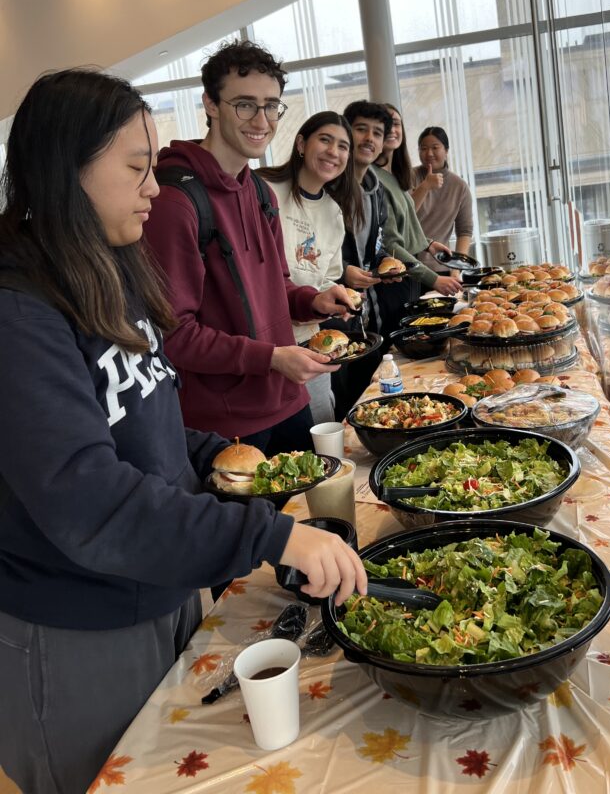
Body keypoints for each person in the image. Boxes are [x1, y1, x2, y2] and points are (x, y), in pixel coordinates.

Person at [0, 69, 366, 794]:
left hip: (158, 589)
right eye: (136, 168)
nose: (153, 188)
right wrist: (270, 537)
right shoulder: (19, 312)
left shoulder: (111, 270)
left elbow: (157, 423)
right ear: (63, 172)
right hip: (75, 620)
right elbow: (89, 499)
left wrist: (256, 477)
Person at [143, 40, 355, 454]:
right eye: (245, 105)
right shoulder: (174, 203)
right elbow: (174, 335)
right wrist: (271, 358)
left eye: (271, 105)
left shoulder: (260, 192)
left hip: (288, 401)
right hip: (226, 425)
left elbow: (277, 288)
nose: (262, 120)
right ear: (210, 103)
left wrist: (314, 302)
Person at [258, 111, 362, 423]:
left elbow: (326, 282)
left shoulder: (333, 212)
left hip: (313, 342)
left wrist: (338, 301)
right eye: (325, 140)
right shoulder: (264, 189)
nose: (334, 152)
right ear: (302, 144)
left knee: (319, 433)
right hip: (265, 346)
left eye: (343, 146)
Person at [373, 103, 462, 336]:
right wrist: (433, 279)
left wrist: (427, 243)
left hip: (408, 275)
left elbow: (405, 223)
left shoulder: (395, 175)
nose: (392, 129)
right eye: (385, 124)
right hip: (394, 280)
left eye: (397, 123)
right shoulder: (374, 178)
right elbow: (390, 243)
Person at [332, 100, 392, 419]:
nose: (369, 138)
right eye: (361, 129)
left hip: (366, 311)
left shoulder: (375, 190)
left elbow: (374, 245)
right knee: (342, 404)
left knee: (367, 399)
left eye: (377, 133)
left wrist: (385, 265)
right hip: (331, 315)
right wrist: (343, 273)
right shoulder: (328, 188)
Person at [411, 125, 474, 273]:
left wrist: (456, 269)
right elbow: (406, 215)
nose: (429, 153)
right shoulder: (409, 177)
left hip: (442, 268)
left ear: (446, 150)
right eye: (423, 148)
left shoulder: (459, 186)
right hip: (409, 268)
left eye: (435, 147)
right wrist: (425, 186)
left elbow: (464, 231)